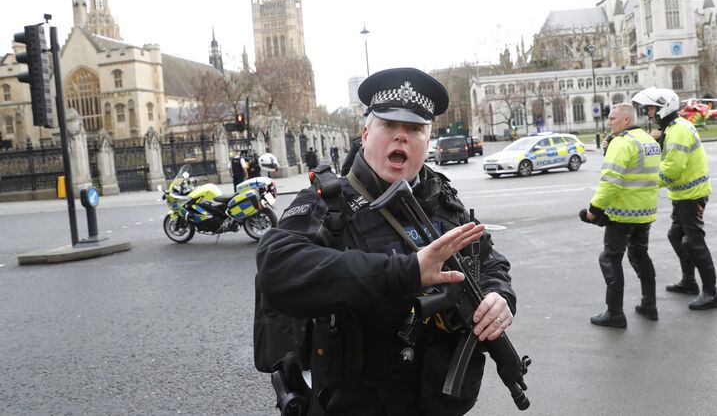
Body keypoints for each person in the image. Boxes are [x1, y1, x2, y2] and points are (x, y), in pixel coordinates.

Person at [255, 67, 516, 415]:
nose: (401, 137)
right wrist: (407, 271)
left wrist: (500, 296)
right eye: (389, 125)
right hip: (356, 402)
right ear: (365, 133)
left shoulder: (443, 200)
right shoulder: (330, 204)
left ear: (428, 140)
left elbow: (488, 260)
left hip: (435, 400)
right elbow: (276, 265)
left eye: (414, 129)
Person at [632, 87, 717, 310]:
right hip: (682, 195)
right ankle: (689, 282)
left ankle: (711, 293)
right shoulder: (672, 128)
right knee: (676, 235)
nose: (649, 113)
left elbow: (672, 168)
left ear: (664, 108)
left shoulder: (679, 130)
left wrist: (645, 184)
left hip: (692, 195)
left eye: (652, 108)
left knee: (693, 241)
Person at [581, 103, 661, 328]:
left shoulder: (622, 142)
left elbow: (610, 181)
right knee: (640, 256)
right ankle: (649, 305)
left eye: (612, 118)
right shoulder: (648, 141)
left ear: (626, 120)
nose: (608, 122)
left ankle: (614, 313)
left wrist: (594, 210)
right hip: (645, 214)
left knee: (610, 259)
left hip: (623, 215)